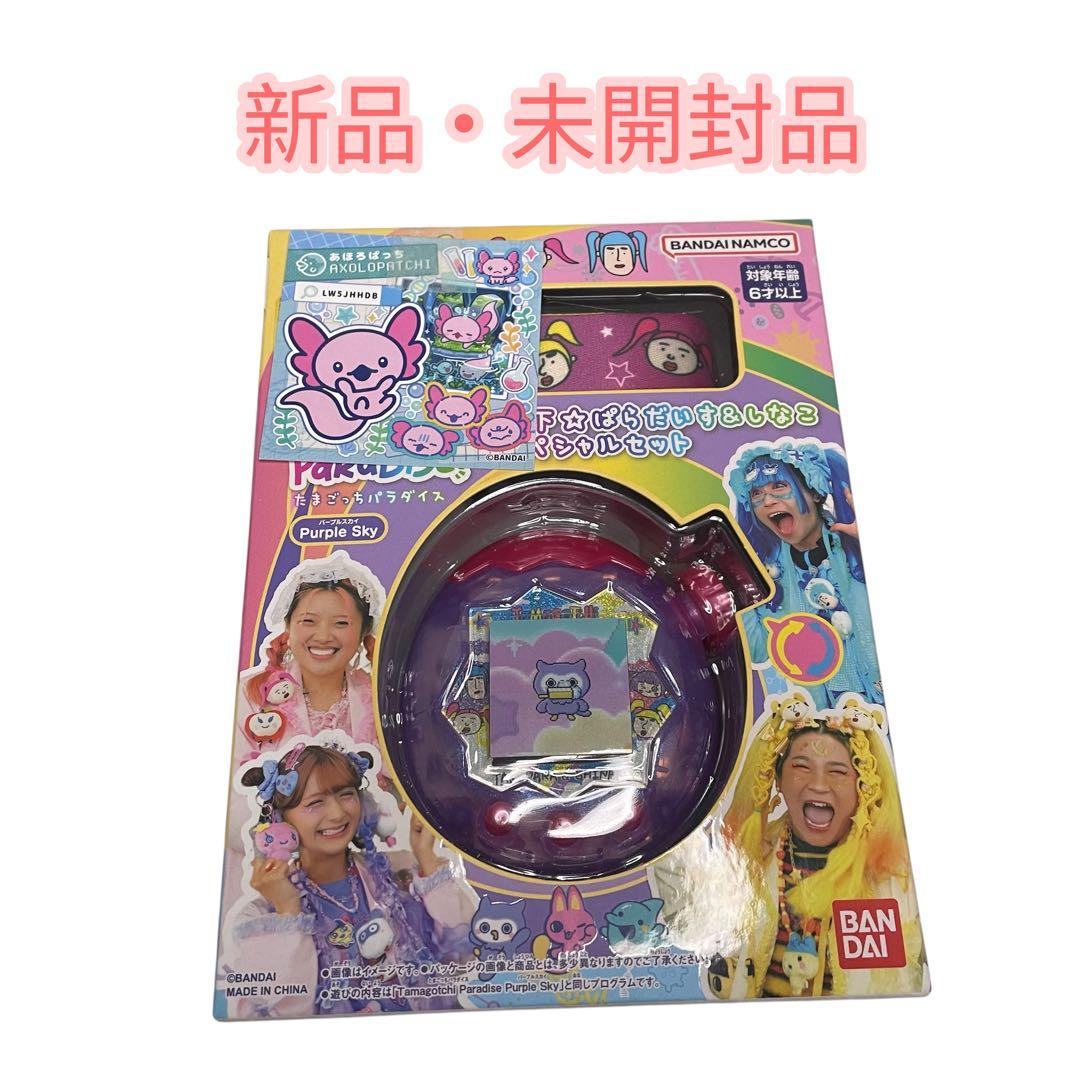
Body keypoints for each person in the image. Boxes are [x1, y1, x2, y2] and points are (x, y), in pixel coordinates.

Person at [222, 742, 476, 1018]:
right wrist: (288, 912)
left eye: (346, 794)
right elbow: (276, 1016)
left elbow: (467, 953)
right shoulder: (262, 917)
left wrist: (427, 857)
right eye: (315, 803)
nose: (338, 814)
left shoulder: (401, 872)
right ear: (280, 823)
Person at [714, 692, 924, 998]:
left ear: (863, 785)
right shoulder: (750, 858)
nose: (818, 784)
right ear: (778, 779)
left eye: (838, 772)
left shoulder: (893, 874)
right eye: (801, 767)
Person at [725, 438, 883, 707]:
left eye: (779, 486)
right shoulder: (766, 574)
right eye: (756, 494)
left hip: (879, 702)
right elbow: (760, 650)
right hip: (824, 714)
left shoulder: (855, 549)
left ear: (815, 492)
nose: (767, 501)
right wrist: (738, 586)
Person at [239, 551, 385, 752]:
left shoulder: (381, 699)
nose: (323, 636)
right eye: (308, 621)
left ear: (364, 630)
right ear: (288, 624)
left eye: (341, 623)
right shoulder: (248, 694)